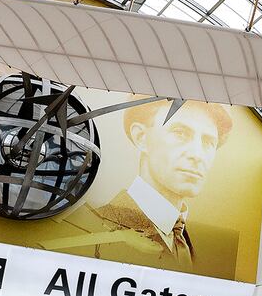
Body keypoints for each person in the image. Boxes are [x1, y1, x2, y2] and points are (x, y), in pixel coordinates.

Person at [45, 99, 239, 277]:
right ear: (141, 137)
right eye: (180, 133)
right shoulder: (87, 230)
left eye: (208, 142)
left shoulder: (208, 251)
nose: (197, 155)